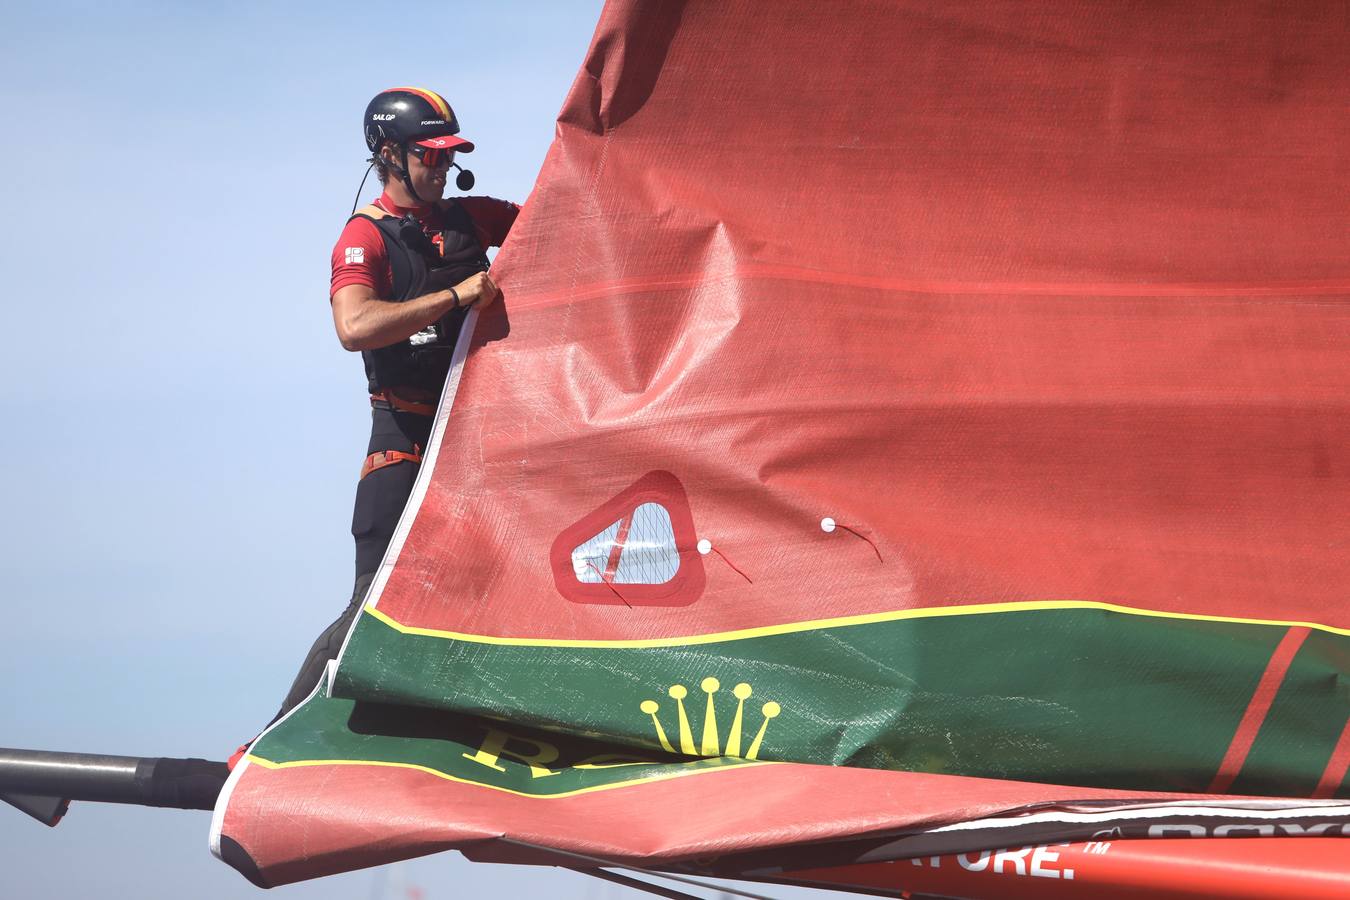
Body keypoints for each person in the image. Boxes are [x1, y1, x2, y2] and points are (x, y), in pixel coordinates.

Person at [272, 87, 519, 719]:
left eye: (448, 155)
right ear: (389, 154)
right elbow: (353, 327)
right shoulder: (364, 237)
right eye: (429, 155)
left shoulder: (475, 219)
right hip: (403, 442)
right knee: (370, 607)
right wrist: (457, 297)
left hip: (471, 445)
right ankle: (266, 745)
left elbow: (567, 217)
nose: (441, 166)